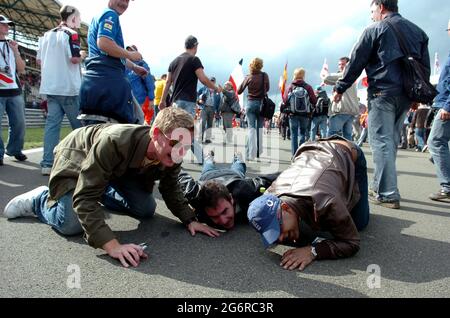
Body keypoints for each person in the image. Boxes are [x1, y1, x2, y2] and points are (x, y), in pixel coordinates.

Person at [3, 108, 220, 268]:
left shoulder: (173, 150)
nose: (180, 152)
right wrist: (112, 245)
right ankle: (39, 200)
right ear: (155, 134)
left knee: (145, 209)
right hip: (78, 157)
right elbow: (85, 197)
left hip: (115, 170)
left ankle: (102, 187)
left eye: (186, 146)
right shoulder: (114, 141)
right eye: (175, 144)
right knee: (70, 224)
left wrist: (190, 219)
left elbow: (171, 186)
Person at [333, 0, 431, 209]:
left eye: (372, 11)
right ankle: (381, 187)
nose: (371, 15)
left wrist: (340, 88)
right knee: (391, 141)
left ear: (381, 7)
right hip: (405, 95)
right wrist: (417, 96)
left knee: (382, 142)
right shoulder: (419, 32)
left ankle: (387, 194)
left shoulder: (373, 30)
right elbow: (424, 68)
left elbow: (356, 61)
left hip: (382, 92)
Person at [247, 137, 369, 271]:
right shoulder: (270, 194)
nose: (280, 237)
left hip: (348, 154)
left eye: (278, 228)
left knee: (359, 223)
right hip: (310, 153)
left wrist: (313, 250)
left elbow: (351, 242)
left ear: (285, 207)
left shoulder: (326, 201)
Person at [78, 0, 148, 125]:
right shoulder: (110, 15)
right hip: (108, 82)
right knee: (132, 126)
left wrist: (134, 67)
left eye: (127, 0)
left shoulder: (99, 15)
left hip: (93, 82)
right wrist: (131, 55)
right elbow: (104, 43)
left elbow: (109, 53)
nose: (124, 3)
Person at [159, 35, 222, 164]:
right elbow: (203, 79)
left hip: (175, 101)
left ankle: (168, 156)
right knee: (187, 132)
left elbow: (167, 83)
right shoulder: (194, 60)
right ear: (195, 46)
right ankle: (202, 159)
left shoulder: (174, 62)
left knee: (176, 131)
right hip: (187, 102)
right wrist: (216, 88)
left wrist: (162, 100)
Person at [178, 151, 280, 230]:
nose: (223, 221)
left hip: (232, 175)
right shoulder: (195, 197)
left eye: (224, 211)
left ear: (231, 199)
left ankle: (238, 158)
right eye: (215, 216)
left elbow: (282, 176)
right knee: (208, 167)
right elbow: (178, 173)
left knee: (238, 168)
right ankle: (208, 158)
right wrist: (189, 219)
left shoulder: (246, 190)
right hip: (209, 175)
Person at [37, 5, 83, 176]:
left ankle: (47, 163)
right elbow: (74, 59)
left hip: (50, 87)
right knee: (79, 128)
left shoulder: (46, 36)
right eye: (78, 17)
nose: (78, 21)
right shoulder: (72, 34)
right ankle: (83, 163)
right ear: (72, 18)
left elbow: (39, 62)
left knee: (52, 126)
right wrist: (83, 56)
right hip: (68, 88)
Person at [427, 20, 450, 203]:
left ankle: (447, 186)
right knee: (436, 144)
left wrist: (447, 106)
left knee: (435, 142)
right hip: (442, 102)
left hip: (447, 105)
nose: (448, 32)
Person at [0, 15, 27, 166]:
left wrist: (16, 51)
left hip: (14, 90)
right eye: (4, 25)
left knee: (19, 123)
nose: (7, 27)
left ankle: (15, 149)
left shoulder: (12, 44)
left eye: (8, 25)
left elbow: (22, 69)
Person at [238, 58, 269, 161]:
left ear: (251, 66)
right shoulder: (265, 76)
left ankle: (249, 155)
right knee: (259, 129)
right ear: (261, 65)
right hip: (261, 104)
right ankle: (258, 154)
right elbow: (267, 88)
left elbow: (239, 91)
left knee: (251, 129)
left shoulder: (248, 77)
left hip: (250, 104)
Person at [324, 57, 360, 141]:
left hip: (342, 109)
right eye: (339, 64)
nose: (340, 66)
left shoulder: (344, 75)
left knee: (332, 134)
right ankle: (348, 153)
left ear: (348, 65)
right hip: (351, 110)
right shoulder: (353, 75)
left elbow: (326, 78)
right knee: (347, 136)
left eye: (343, 64)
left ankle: (330, 153)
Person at [284, 68, 317, 156]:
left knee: (294, 134)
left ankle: (294, 155)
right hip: (305, 114)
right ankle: (300, 154)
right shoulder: (308, 87)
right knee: (302, 133)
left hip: (293, 113)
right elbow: (314, 100)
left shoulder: (290, 86)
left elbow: (285, 100)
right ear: (303, 75)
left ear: (295, 75)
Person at [125, 45, 155, 125]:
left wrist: (151, 99)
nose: (129, 52)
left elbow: (149, 81)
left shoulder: (142, 64)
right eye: (127, 51)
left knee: (146, 125)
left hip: (143, 101)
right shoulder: (124, 66)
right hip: (129, 102)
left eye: (131, 50)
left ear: (136, 52)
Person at [197, 77, 221, 144]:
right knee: (202, 122)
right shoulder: (203, 88)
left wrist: (217, 112)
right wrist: (199, 100)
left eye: (213, 81)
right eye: (211, 81)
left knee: (210, 124)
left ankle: (208, 139)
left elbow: (219, 101)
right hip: (204, 107)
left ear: (215, 82)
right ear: (209, 81)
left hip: (212, 109)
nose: (212, 82)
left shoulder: (217, 91)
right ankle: (200, 138)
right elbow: (197, 95)